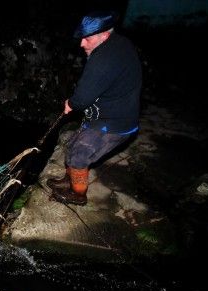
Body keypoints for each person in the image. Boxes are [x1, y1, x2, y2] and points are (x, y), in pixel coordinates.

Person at [47, 11, 142, 205]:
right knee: (72, 144)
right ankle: (69, 180)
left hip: (115, 123)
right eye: (82, 38)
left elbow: (82, 99)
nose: (82, 44)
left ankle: (78, 194)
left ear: (104, 35)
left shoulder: (102, 61)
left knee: (79, 156)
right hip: (106, 113)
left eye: (87, 39)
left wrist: (71, 104)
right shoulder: (119, 42)